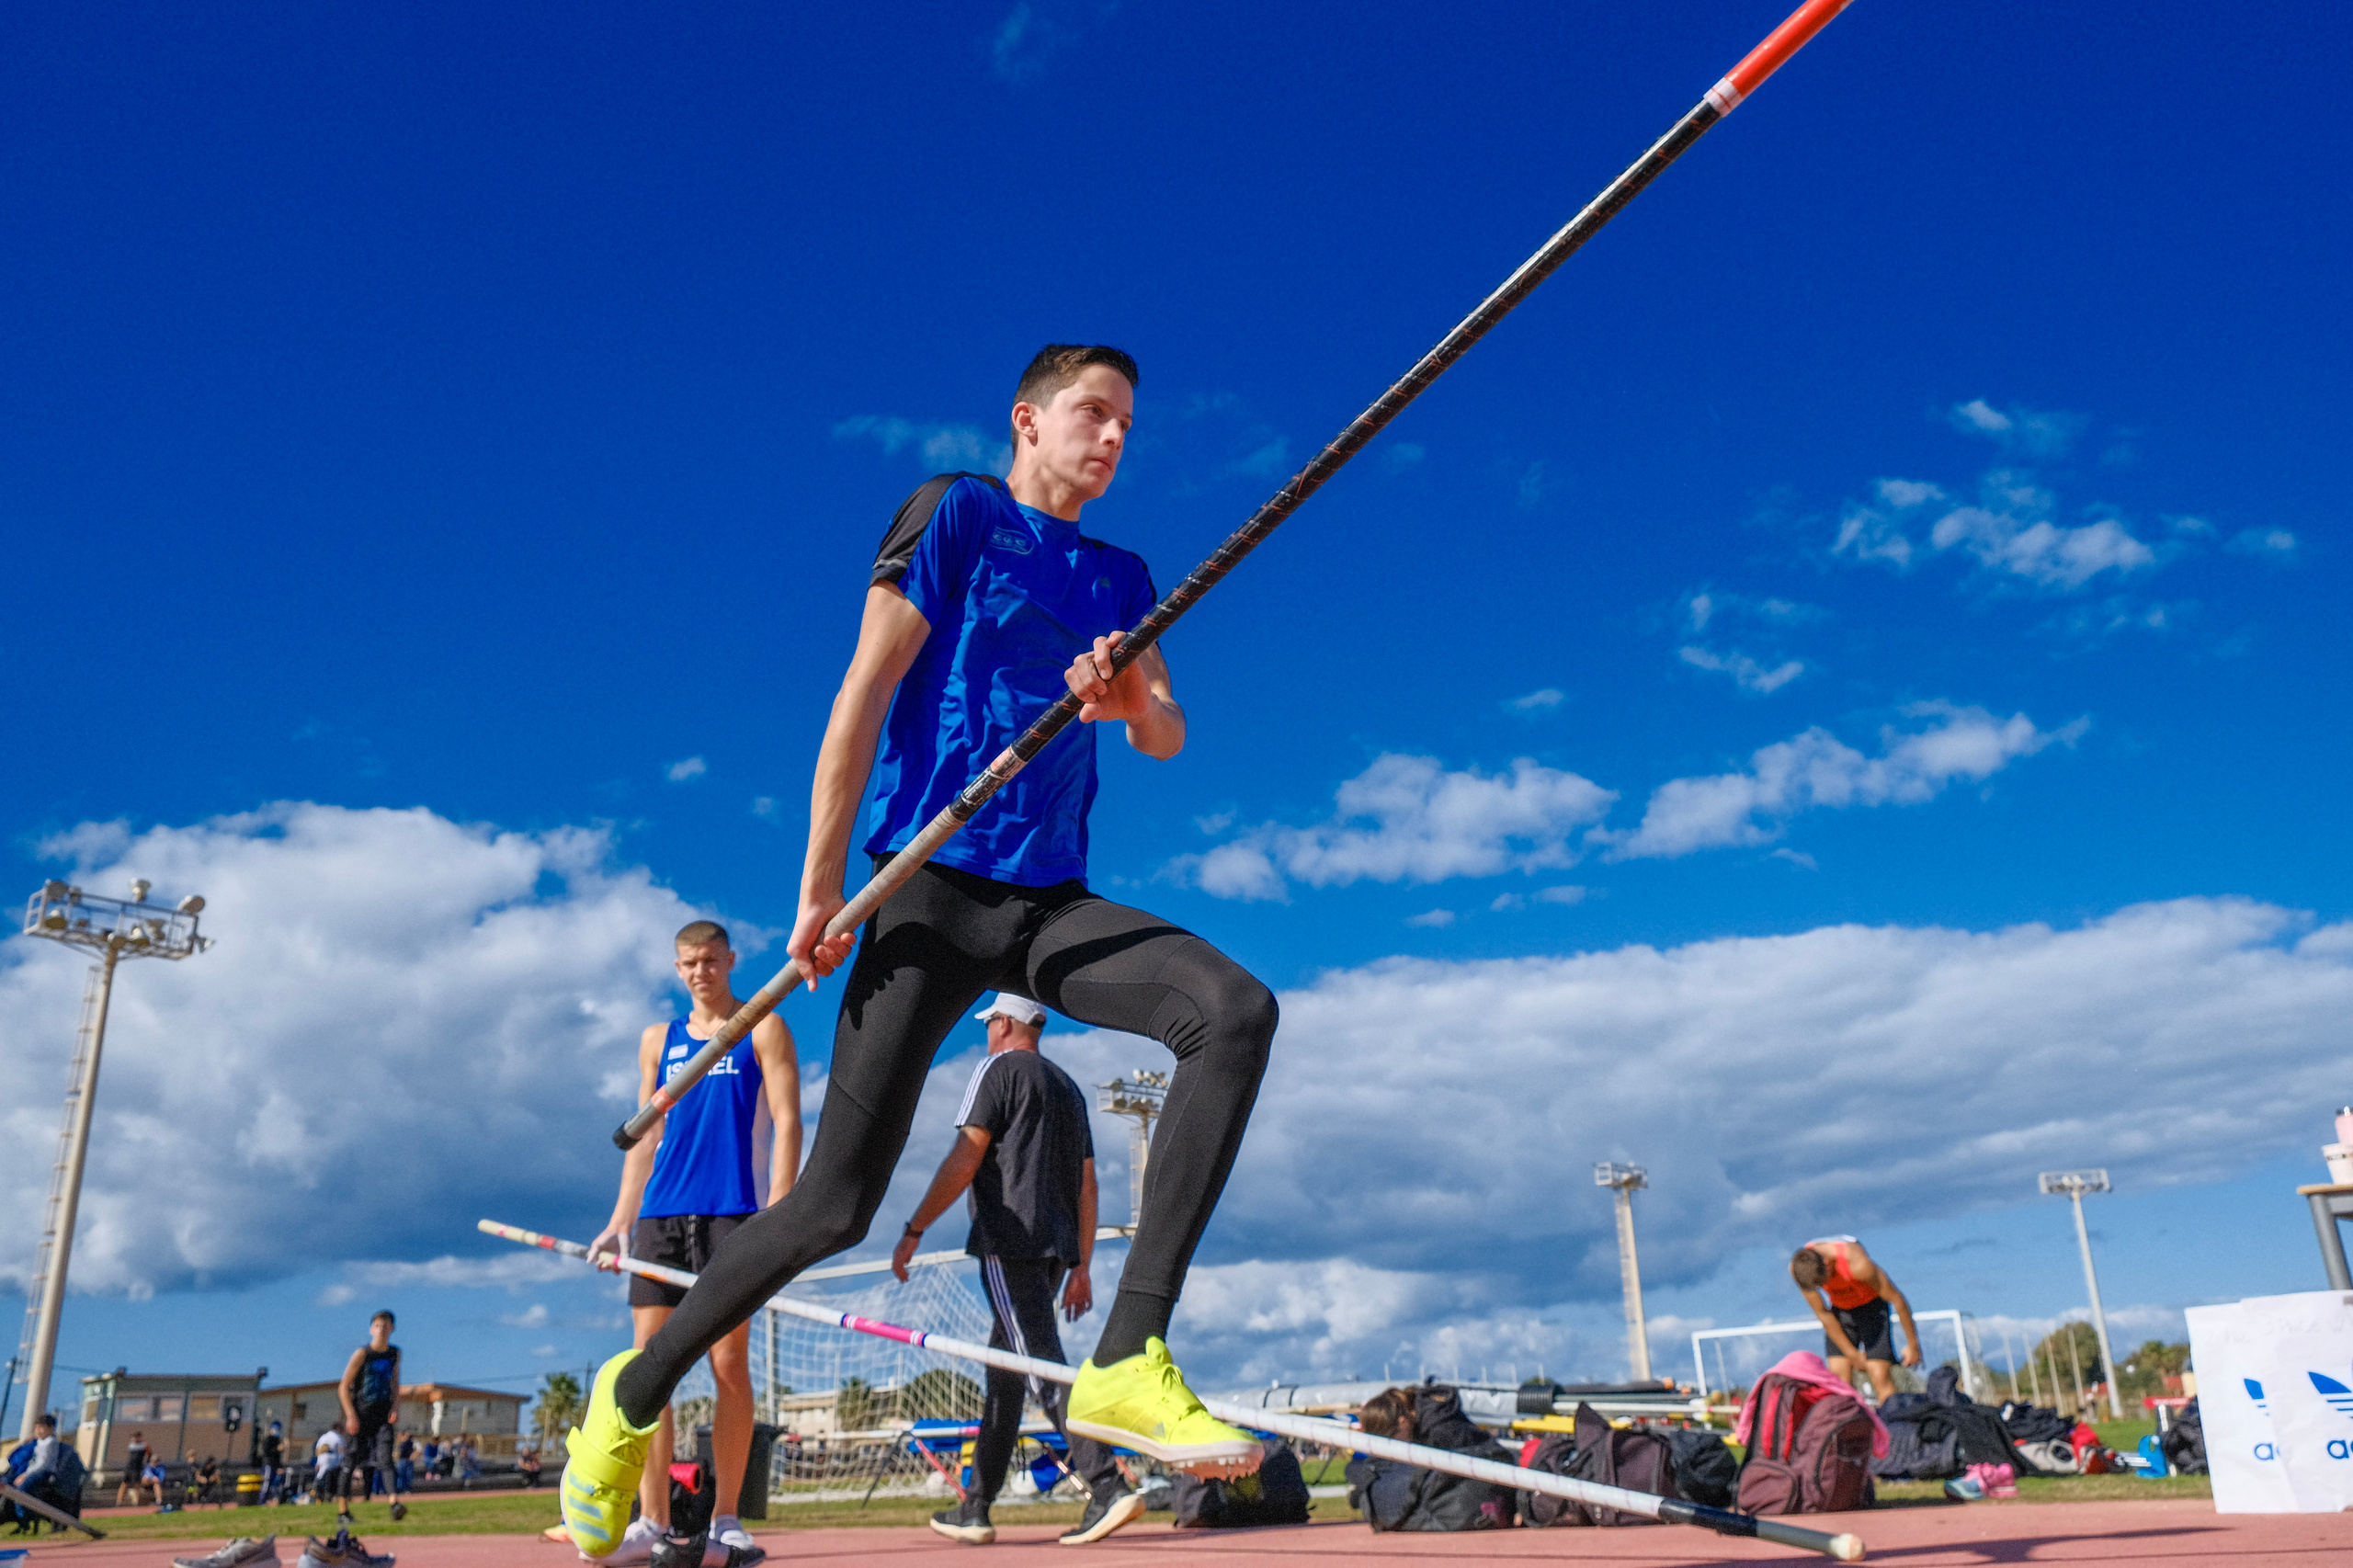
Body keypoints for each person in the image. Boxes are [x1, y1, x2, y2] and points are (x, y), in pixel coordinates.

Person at [563, 344, 1279, 1561]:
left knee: (1233, 1008)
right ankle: (628, 1395)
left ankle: (1127, 1358)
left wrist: (1126, 704)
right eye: (1092, 413)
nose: (1114, 437)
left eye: (1127, 423)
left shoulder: (1122, 575)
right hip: (924, 892)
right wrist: (819, 889)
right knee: (833, 1204)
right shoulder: (958, 513)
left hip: (1046, 902)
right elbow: (863, 691)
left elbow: (1163, 728)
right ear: (1028, 418)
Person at [585, 918, 803, 1565]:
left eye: (710, 960)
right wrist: (620, 1219)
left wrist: (780, 1212)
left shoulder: (762, 1026)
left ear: (730, 960)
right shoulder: (659, 1040)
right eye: (689, 963)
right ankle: (652, 1519)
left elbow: (788, 1120)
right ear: (677, 969)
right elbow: (644, 1135)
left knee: (727, 1363)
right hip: (661, 1216)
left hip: (733, 1214)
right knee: (648, 1368)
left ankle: (726, 1518)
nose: (701, 972)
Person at [895, 994, 1139, 1547]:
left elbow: (966, 1155)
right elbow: (1088, 1183)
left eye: (989, 1025)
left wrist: (915, 1228)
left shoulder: (997, 1071)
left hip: (1010, 1242)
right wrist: (1080, 1265)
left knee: (1039, 1366)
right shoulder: (1067, 1087)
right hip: (1054, 1247)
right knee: (1005, 1376)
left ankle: (1106, 1484)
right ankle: (976, 1506)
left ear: (1003, 1023)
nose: (987, 1034)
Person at [1790, 1235, 1922, 1401]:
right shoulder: (1800, 1269)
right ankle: (1848, 1417)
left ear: (1827, 1263)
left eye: (1824, 1281)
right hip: (1840, 1312)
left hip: (1872, 1310)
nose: (1824, 1287)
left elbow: (1897, 1299)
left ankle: (1892, 1416)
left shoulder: (1857, 1263)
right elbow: (1823, 1314)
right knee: (1838, 1382)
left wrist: (1913, 1345)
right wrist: (1852, 1355)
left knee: (1879, 1376)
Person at [335, 1310, 404, 1526]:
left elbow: (395, 1383)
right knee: (350, 1460)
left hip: (382, 1414)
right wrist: (350, 1415)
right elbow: (343, 1387)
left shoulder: (395, 1354)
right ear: (371, 1329)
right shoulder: (362, 1354)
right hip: (360, 1413)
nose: (381, 1330)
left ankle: (394, 1503)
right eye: (378, 1326)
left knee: (386, 1458)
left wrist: (395, 1407)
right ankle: (343, 1511)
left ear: (392, 1329)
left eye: (385, 1326)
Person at [311, 1426, 344, 1507]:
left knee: (320, 1477)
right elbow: (342, 1450)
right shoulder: (337, 1437)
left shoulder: (323, 1437)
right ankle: (326, 1496)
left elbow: (317, 1450)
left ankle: (318, 1496)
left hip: (322, 1460)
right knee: (328, 1480)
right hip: (333, 1462)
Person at [119, 1428, 153, 1506]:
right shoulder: (131, 1445)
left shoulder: (144, 1445)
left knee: (136, 1484)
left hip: (138, 1467)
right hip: (130, 1466)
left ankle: (136, 1501)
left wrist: (147, 1463)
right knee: (125, 1483)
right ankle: (119, 1500)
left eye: (137, 1437)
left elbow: (149, 1453)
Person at [394, 1432, 415, 1497]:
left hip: (408, 1460)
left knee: (408, 1475)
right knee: (401, 1475)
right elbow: (397, 1453)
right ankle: (400, 1489)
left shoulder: (410, 1443)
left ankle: (406, 1489)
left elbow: (417, 1450)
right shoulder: (400, 1444)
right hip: (402, 1460)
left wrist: (413, 1455)